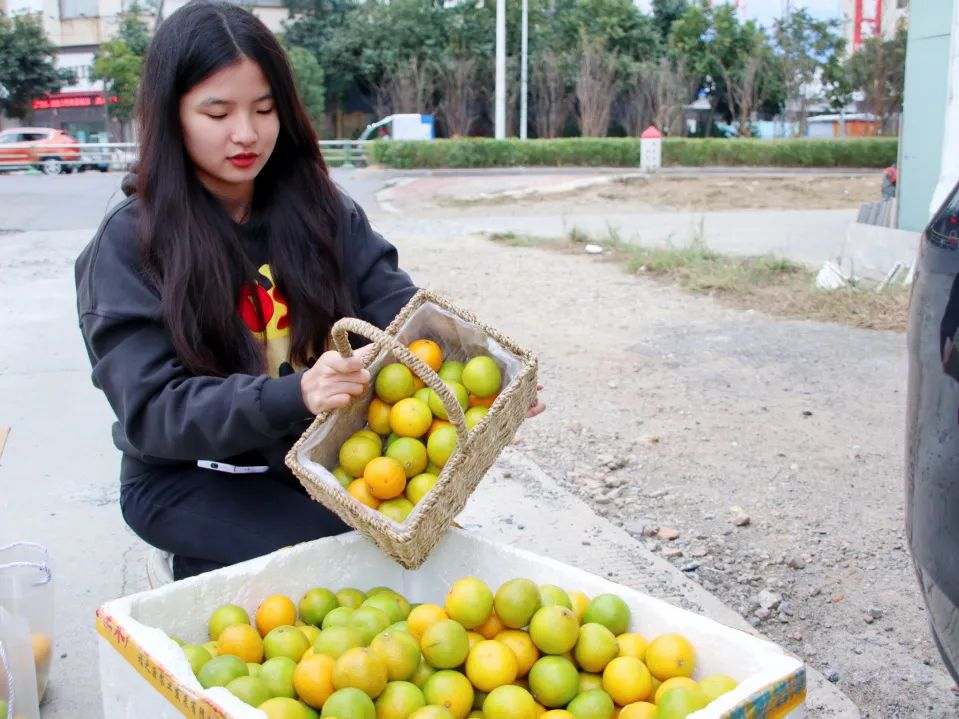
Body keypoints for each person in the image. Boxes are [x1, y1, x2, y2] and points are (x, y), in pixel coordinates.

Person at [74, 0, 543, 581]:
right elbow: (153, 412)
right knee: (353, 569)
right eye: (217, 112)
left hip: (317, 463)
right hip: (188, 478)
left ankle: (224, 566)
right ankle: (196, 567)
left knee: (425, 560)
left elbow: (399, 315)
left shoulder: (320, 211)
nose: (246, 134)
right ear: (171, 116)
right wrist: (295, 393)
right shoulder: (129, 244)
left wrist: (484, 373)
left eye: (264, 109)